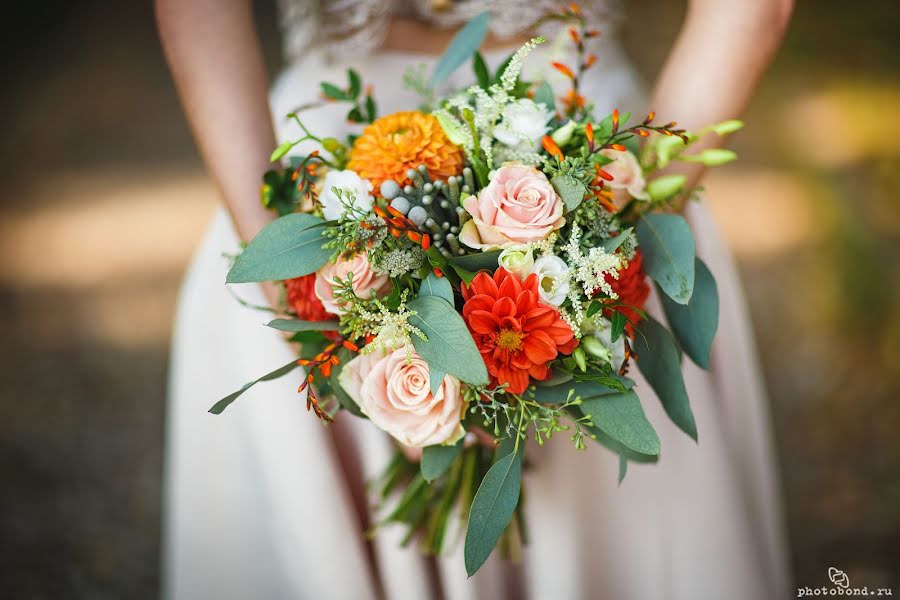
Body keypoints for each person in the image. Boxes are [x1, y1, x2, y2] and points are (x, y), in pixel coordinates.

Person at [156, 1, 794, 598]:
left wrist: (302, 290)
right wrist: (630, 218)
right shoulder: (616, 218)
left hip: (472, 182)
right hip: (592, 172)